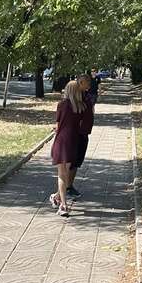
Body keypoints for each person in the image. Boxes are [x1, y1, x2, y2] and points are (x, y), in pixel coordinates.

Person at [50, 79, 94, 216]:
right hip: (73, 142)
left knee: (61, 175)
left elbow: (58, 125)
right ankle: (57, 197)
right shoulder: (81, 107)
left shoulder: (62, 105)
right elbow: (85, 124)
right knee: (66, 173)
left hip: (61, 141)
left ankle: (63, 205)